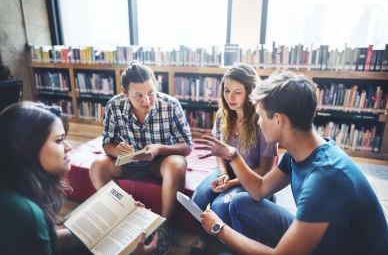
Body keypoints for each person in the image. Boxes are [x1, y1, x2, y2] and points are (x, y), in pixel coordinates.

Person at [194, 70, 388, 255]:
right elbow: (259, 189)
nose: (258, 122)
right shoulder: (300, 153)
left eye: (260, 116)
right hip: (322, 241)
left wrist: (219, 229)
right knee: (239, 202)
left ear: (278, 120)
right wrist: (232, 155)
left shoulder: (327, 178)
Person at [0, 102, 158, 255]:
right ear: (24, 150)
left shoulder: (13, 194)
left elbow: (48, 241)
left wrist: (109, 226)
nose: (68, 147)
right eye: (59, 140)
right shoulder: (26, 213)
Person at [89, 61, 193, 255]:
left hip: (160, 161)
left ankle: (163, 226)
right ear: (124, 92)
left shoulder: (170, 105)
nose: (147, 101)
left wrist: (159, 148)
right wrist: (117, 152)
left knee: (177, 164)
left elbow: (186, 146)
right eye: (138, 95)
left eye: (151, 92)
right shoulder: (114, 105)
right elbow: (107, 144)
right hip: (130, 163)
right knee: (97, 166)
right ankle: (128, 219)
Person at [190, 63, 277, 255]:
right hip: (227, 171)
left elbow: (266, 169)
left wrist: (232, 183)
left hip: (251, 176)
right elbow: (219, 152)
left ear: (250, 92)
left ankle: (232, 245)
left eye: (237, 92)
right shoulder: (223, 115)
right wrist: (223, 174)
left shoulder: (262, 120)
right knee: (196, 199)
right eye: (227, 90)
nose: (230, 97)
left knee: (221, 207)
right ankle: (203, 239)